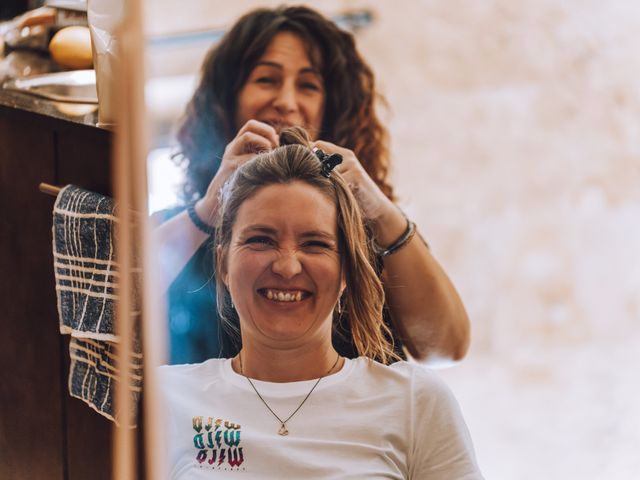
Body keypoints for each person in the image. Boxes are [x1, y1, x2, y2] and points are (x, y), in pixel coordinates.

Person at [158, 128, 483, 479]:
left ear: (346, 270)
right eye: (261, 240)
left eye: (315, 244)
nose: (286, 266)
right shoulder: (166, 399)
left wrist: (384, 212)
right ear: (223, 264)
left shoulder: (414, 402)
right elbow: (95, 298)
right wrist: (205, 211)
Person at [155, 5, 469, 364]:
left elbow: (446, 347)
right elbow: (106, 304)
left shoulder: (377, 234)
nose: (287, 102)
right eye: (266, 80)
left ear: (332, 105)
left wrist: (379, 210)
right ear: (227, 102)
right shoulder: (181, 229)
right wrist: (210, 207)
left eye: (308, 85)